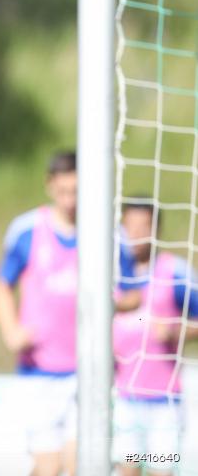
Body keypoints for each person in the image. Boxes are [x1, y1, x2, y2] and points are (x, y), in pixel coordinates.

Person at [0, 150, 135, 476]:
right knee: (48, 468)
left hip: (90, 369)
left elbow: (133, 295)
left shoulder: (108, 233)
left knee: (77, 465)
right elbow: (1, 287)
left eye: (77, 192)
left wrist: (113, 303)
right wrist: (11, 331)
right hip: (39, 371)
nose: (70, 200)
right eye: (64, 192)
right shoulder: (27, 229)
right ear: (50, 186)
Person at [113, 202, 198, 476]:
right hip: (123, 400)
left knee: (161, 472)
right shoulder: (109, 274)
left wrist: (174, 331)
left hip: (165, 404)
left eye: (144, 226)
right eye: (130, 226)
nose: (136, 233)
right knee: (128, 470)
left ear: (157, 229)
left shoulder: (174, 272)